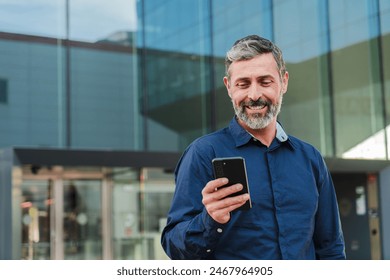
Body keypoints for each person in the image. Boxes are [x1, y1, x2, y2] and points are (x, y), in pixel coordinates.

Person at [161, 35, 346, 260]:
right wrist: (209, 220)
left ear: (284, 82)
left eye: (265, 81)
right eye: (243, 84)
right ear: (229, 87)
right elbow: (174, 247)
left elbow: (331, 248)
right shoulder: (203, 153)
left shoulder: (310, 159)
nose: (254, 95)